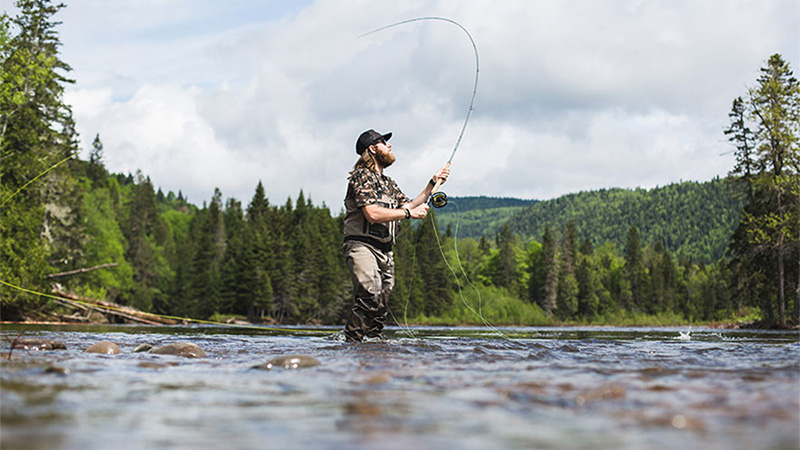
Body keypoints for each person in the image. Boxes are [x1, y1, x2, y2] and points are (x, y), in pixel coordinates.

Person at [342, 129, 449, 342]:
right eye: (384, 142)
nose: (389, 146)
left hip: (385, 250)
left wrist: (432, 183)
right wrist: (409, 214)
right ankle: (350, 343)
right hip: (362, 246)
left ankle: (374, 343)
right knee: (369, 294)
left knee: (381, 302)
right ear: (372, 149)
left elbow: (408, 204)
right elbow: (372, 214)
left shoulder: (389, 182)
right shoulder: (361, 176)